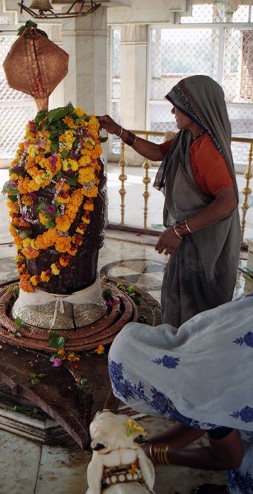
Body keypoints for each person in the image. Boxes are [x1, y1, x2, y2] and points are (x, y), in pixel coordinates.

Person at [98, 75, 241, 327]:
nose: (173, 110)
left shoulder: (207, 148)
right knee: (183, 297)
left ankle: (191, 354)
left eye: (178, 105)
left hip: (203, 239)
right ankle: (181, 346)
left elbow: (228, 202)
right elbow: (155, 152)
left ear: (196, 107)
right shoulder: (187, 138)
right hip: (189, 234)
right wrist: (117, 130)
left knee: (198, 304)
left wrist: (179, 230)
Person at [108, 293, 253, 494]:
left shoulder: (212, 391)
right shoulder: (192, 348)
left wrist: (158, 454)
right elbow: (201, 416)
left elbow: (229, 458)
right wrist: (147, 449)